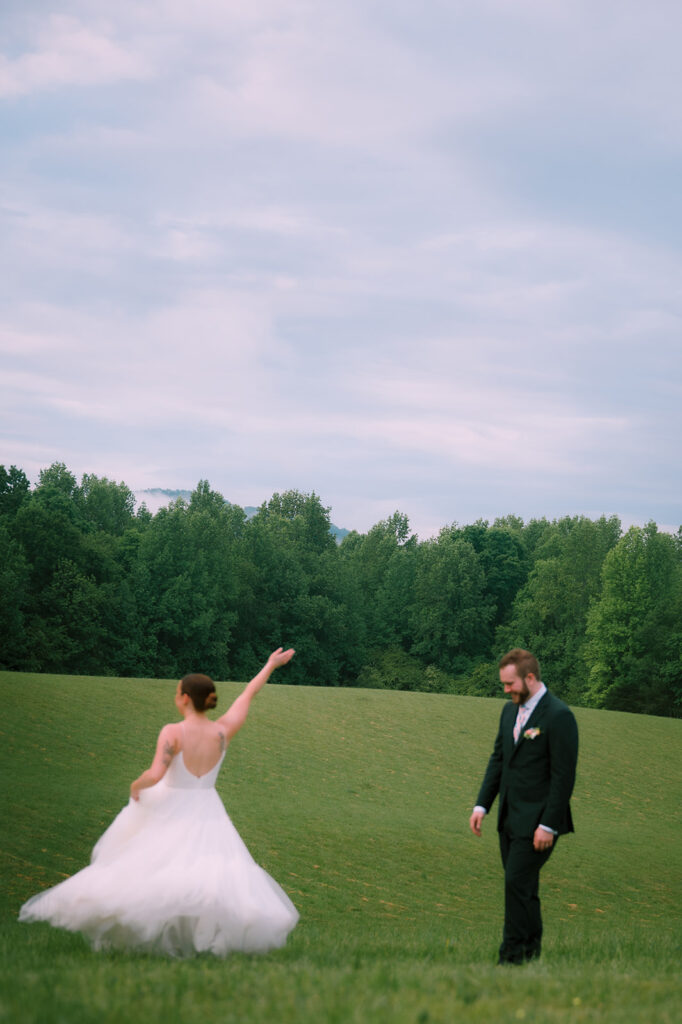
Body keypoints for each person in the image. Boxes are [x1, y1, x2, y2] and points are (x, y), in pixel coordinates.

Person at [19, 647, 299, 957]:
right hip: (208, 810)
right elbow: (248, 693)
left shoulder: (173, 732)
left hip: (170, 806)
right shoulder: (222, 731)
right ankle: (192, 941)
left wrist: (136, 785)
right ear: (209, 700)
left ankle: (156, 939)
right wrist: (270, 665)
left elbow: (156, 773)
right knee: (203, 872)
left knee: (151, 866)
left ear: (183, 698)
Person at [469, 648, 578, 965]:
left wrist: (548, 825)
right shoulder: (508, 712)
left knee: (516, 882)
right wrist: (481, 806)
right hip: (509, 818)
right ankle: (530, 954)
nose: (506, 691)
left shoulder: (559, 716)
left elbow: (563, 777)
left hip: (539, 822)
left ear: (530, 678)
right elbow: (499, 761)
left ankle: (510, 958)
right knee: (523, 887)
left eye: (509, 684)